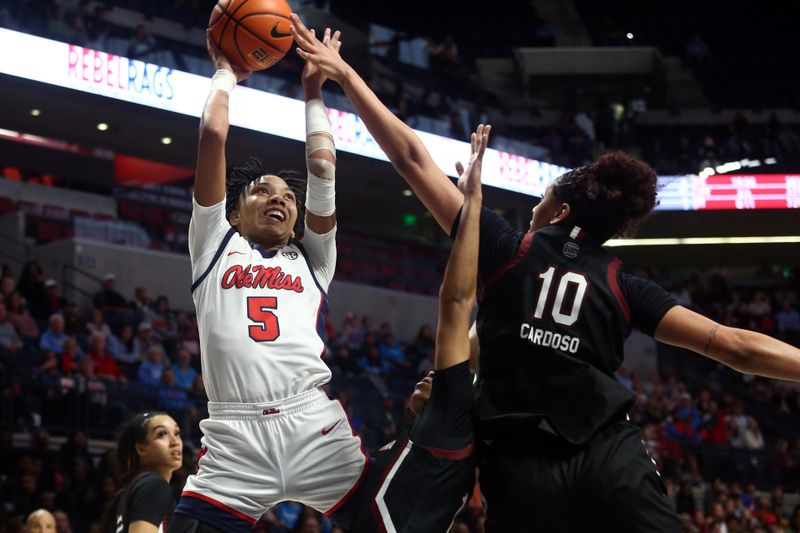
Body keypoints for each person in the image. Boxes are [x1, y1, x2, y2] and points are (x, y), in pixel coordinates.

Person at [291, 18, 800, 532]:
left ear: (558, 214)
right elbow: (733, 346)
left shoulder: (506, 248)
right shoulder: (626, 284)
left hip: (521, 465)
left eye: (541, 199)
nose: (535, 206)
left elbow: (409, 157)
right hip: (609, 452)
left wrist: (347, 77)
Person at [168, 29, 365, 533]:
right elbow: (213, 137)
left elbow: (322, 165)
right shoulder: (214, 243)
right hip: (235, 436)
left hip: (312, 424)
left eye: (288, 196)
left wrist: (314, 92)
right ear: (233, 212)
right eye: (262, 190)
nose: (279, 197)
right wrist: (226, 73)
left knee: (403, 519)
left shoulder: (314, 257)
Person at [343, 124, 488, 532]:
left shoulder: (453, 417)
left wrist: (472, 205)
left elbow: (459, 304)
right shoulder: (413, 437)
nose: (430, 372)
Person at [99, 412, 183, 533]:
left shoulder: (134, 488)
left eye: (177, 433)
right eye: (161, 434)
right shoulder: (153, 485)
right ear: (141, 448)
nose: (175, 442)